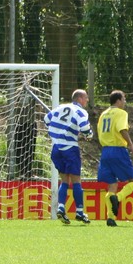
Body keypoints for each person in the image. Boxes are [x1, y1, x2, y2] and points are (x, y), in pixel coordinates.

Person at [45, 89, 93, 225]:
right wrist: (89, 135)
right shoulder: (80, 111)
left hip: (56, 148)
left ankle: (61, 207)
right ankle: (79, 212)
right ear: (80, 98)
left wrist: (58, 132)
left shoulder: (60, 107)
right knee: (76, 180)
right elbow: (85, 127)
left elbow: (46, 119)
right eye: (86, 98)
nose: (87, 100)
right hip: (70, 148)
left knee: (64, 180)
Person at [96, 90, 133, 227]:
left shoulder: (103, 114)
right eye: (124, 99)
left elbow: (100, 133)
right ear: (118, 100)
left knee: (112, 184)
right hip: (118, 150)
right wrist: (131, 145)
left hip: (105, 151)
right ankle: (118, 198)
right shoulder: (121, 113)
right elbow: (122, 129)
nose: (125, 102)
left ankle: (110, 218)